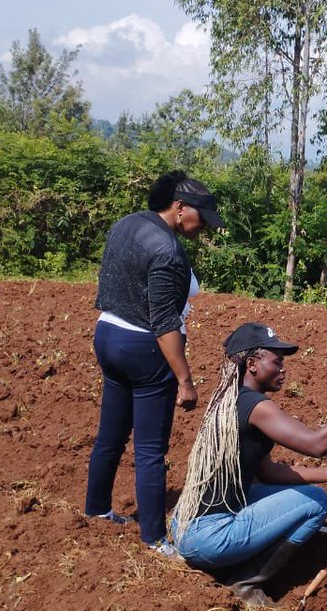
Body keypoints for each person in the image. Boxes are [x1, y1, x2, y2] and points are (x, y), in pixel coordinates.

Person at [170, 322, 327, 604]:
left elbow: (266, 472)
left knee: (292, 492)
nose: (283, 368)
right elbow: (318, 445)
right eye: (276, 361)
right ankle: (245, 582)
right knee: (316, 502)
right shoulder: (258, 407)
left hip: (185, 525)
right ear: (252, 364)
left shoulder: (228, 399)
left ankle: (229, 561)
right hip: (208, 536)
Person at [85, 170, 224, 557]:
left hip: (107, 335)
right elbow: (164, 323)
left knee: (109, 435)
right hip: (144, 350)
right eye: (201, 218)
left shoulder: (126, 225)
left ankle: (96, 508)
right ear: (180, 208)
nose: (204, 228)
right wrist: (184, 379)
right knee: (149, 448)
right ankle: (154, 538)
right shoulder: (169, 252)